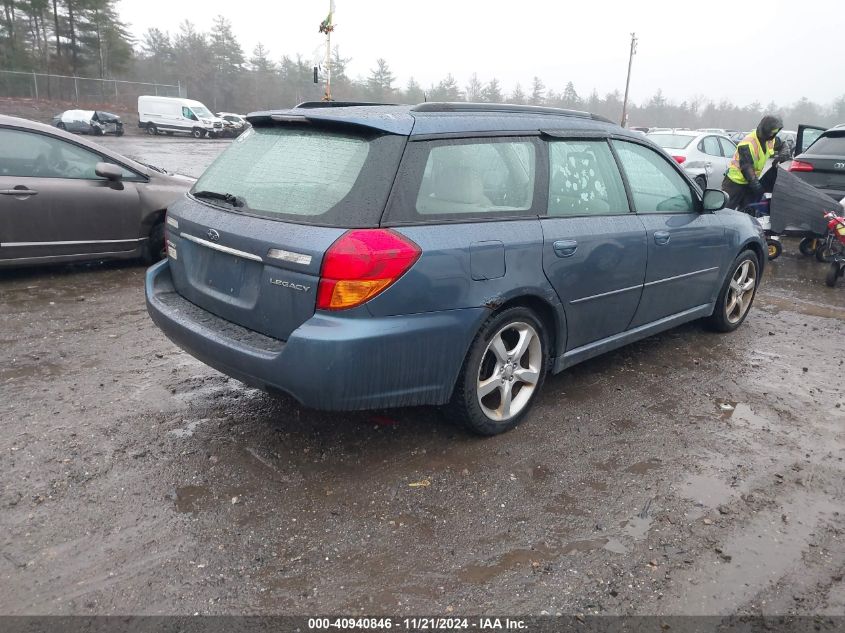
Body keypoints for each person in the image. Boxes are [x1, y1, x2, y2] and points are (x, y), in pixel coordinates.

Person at [722, 115, 792, 209]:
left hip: (749, 184)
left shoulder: (770, 140)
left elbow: (784, 144)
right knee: (725, 211)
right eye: (772, 131)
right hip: (734, 183)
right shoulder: (748, 143)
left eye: (775, 132)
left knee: (747, 212)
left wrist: (783, 154)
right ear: (765, 129)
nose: (773, 134)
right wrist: (757, 187)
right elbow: (747, 168)